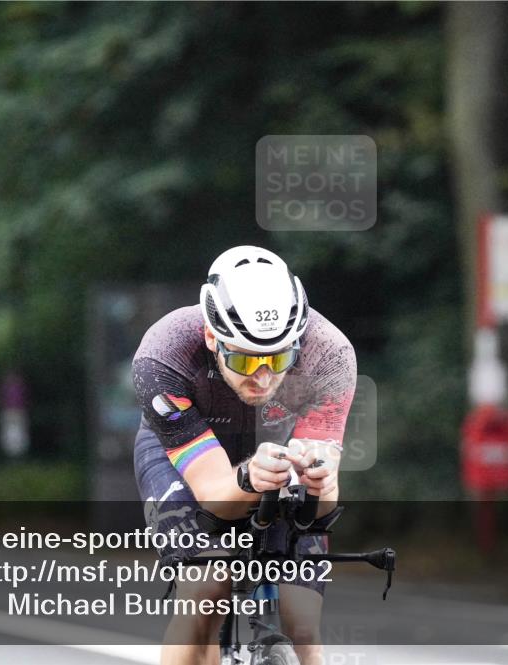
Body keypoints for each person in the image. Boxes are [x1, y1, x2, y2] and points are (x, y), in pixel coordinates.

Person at [132, 245, 357, 665]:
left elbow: (321, 510)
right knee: (204, 591)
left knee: (302, 620)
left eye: (277, 357)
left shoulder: (331, 355)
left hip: (276, 449)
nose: (262, 376)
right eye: (245, 359)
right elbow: (216, 497)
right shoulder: (163, 355)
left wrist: (319, 483)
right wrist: (249, 479)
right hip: (186, 454)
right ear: (212, 337)